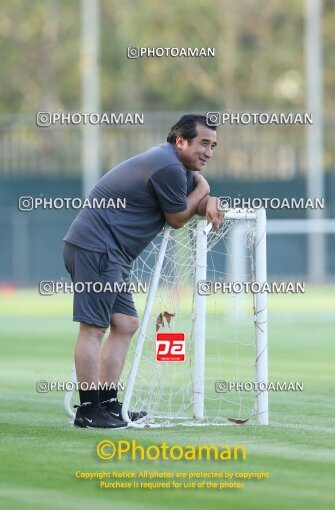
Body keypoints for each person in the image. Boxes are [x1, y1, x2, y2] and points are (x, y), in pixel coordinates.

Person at [63, 114, 224, 428]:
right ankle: (88, 410)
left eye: (213, 145)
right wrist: (205, 187)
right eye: (203, 143)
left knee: (125, 324)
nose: (209, 152)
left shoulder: (177, 166)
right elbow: (178, 217)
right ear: (180, 141)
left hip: (111, 254)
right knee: (93, 329)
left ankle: (108, 403)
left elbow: (195, 202)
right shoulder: (169, 167)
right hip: (96, 249)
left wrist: (209, 197)